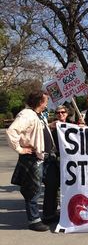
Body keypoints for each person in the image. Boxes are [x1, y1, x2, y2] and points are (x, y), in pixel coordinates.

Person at [6, 90, 54, 231]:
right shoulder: (26, 114)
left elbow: (37, 131)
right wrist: (20, 149)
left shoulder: (38, 115)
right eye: (46, 100)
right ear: (40, 101)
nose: (47, 103)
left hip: (44, 157)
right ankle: (34, 220)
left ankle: (49, 214)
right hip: (32, 158)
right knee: (33, 190)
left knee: (51, 183)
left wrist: (51, 126)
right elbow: (12, 131)